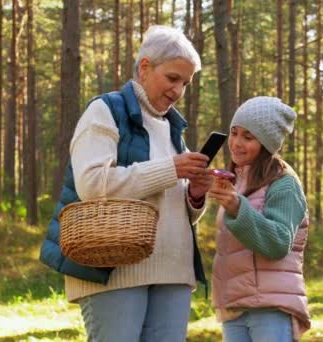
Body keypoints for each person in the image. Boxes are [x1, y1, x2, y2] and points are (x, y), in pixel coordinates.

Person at [40, 25, 213, 341]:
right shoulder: (105, 111)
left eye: (186, 83)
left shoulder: (175, 129)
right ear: (145, 67)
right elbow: (92, 184)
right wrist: (171, 169)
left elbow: (176, 207)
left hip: (174, 271)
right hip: (114, 270)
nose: (178, 91)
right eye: (173, 78)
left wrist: (196, 196)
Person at [208, 97, 311, 342]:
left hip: (271, 308)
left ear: (266, 143)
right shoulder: (236, 180)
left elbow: (277, 242)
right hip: (235, 307)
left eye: (248, 137)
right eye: (234, 133)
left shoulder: (284, 184)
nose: (237, 143)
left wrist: (237, 207)